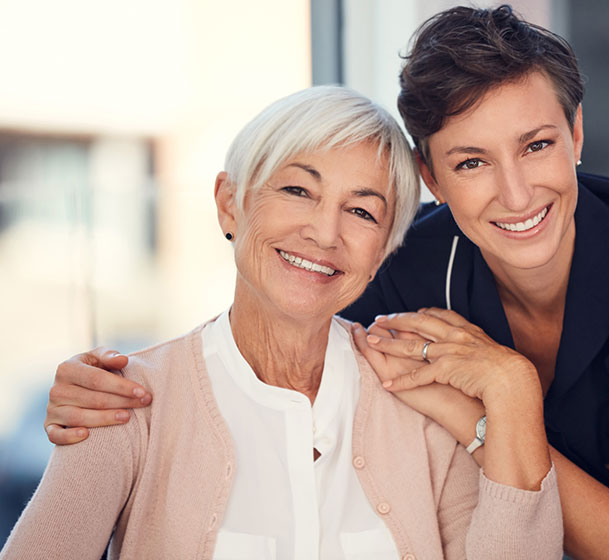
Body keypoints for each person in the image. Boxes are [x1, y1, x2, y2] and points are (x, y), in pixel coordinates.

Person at [40, 4, 609, 558]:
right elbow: (284, 306)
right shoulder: (406, 266)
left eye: (536, 146)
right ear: (429, 178)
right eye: (471, 163)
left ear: (577, 135)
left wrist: (496, 398)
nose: (517, 195)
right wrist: (120, 387)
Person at [2, 85, 563, 559]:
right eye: (298, 190)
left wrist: (512, 388)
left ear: (383, 251)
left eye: (362, 211)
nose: (324, 232)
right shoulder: (126, 403)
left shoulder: (421, 403)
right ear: (230, 203)